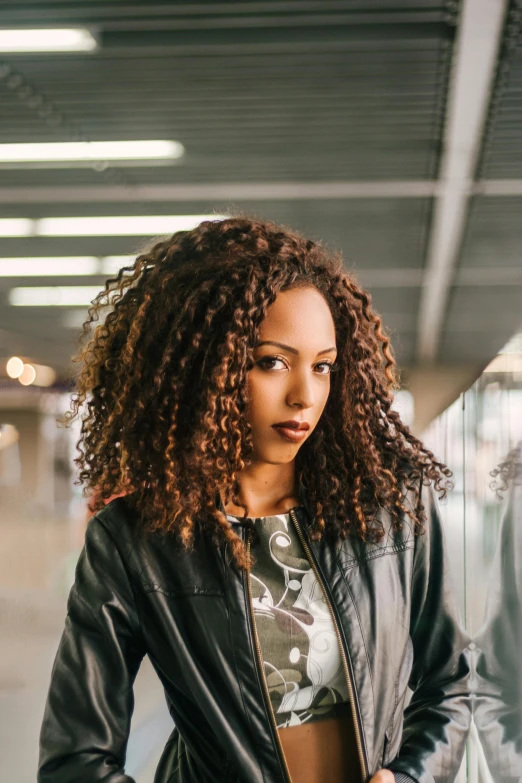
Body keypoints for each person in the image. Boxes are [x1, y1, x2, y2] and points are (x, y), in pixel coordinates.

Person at [37, 217, 472, 783]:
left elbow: (452, 682)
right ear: (204, 368)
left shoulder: (389, 506)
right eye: (272, 361)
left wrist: (411, 777)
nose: (305, 395)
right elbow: (76, 758)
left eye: (322, 366)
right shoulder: (136, 541)